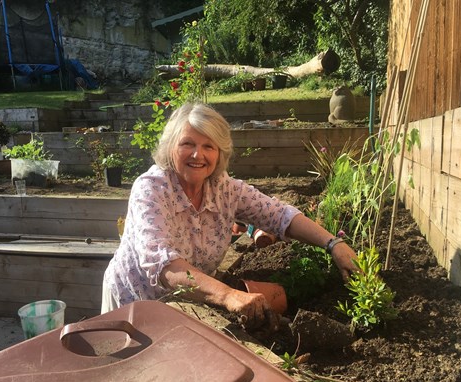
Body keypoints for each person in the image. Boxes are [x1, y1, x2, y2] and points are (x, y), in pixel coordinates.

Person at [102, 102, 358, 330]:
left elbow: (279, 215)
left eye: (208, 146)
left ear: (219, 153)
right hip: (133, 302)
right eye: (187, 144)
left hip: (183, 305)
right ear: (171, 148)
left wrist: (334, 244)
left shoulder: (224, 188)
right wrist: (227, 295)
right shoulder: (152, 189)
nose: (197, 155)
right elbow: (163, 265)